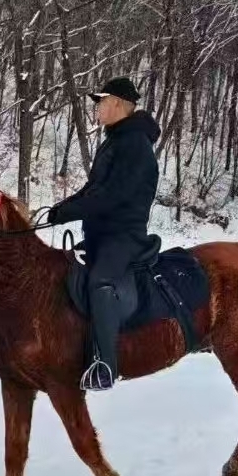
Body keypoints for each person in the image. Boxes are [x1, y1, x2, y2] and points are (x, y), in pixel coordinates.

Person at [47, 76, 161, 391]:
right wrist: (62, 208)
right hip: (101, 233)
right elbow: (94, 189)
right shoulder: (116, 140)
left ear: (116, 104)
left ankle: (106, 367)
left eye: (101, 101)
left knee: (100, 281)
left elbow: (115, 195)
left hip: (124, 236)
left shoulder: (135, 144)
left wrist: (73, 211)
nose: (96, 108)